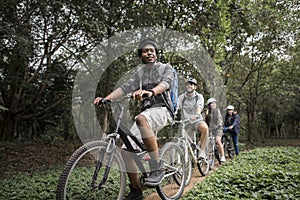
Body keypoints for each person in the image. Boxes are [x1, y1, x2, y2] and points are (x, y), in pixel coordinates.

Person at [94, 38, 174, 200]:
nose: (149, 53)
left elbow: (166, 84)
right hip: (145, 114)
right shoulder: (140, 74)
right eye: (145, 51)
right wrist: (106, 99)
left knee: (140, 118)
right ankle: (136, 191)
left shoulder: (166, 68)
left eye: (152, 50)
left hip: (163, 109)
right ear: (141, 55)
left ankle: (156, 166)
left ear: (156, 54)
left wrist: (151, 92)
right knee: (126, 151)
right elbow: (125, 88)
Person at [176, 78, 208, 159]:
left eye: (191, 84)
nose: (189, 86)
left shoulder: (199, 96)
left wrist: (197, 114)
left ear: (195, 87)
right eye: (187, 84)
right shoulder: (181, 98)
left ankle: (202, 151)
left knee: (204, 128)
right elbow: (176, 107)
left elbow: (199, 106)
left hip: (197, 120)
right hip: (186, 122)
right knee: (184, 142)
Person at [203, 98, 226, 162]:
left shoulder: (217, 111)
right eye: (212, 103)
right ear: (209, 105)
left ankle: (222, 156)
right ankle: (209, 157)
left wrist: (219, 124)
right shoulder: (206, 112)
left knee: (218, 141)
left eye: (214, 103)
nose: (214, 104)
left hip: (218, 128)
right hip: (210, 129)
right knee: (207, 142)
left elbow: (219, 119)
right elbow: (203, 120)